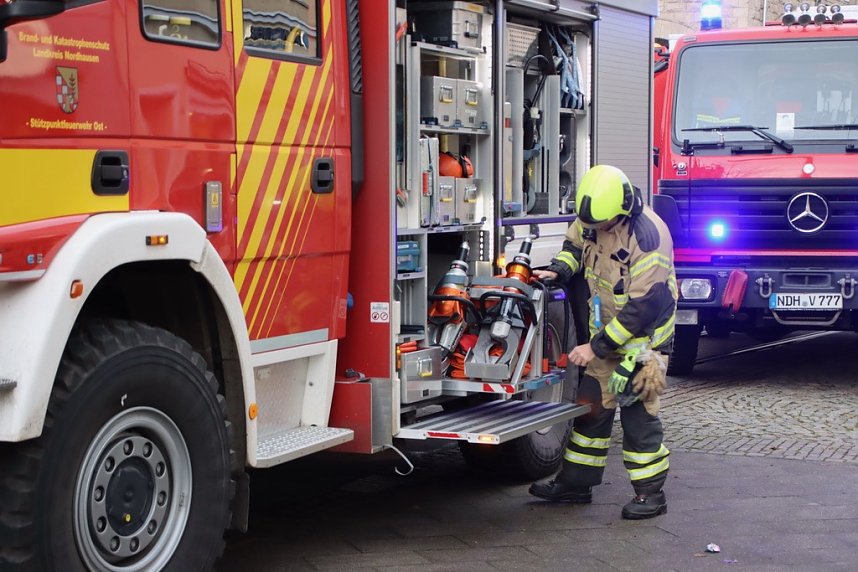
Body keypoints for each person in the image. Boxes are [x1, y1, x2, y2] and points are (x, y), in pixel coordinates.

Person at [529, 164, 677, 520]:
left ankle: (650, 494)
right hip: (607, 334)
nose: (595, 229)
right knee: (591, 409)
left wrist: (594, 348)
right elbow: (574, 246)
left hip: (643, 345)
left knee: (638, 417)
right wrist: (559, 269)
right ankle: (575, 484)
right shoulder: (593, 215)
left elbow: (643, 308)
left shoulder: (649, 238)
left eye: (602, 225)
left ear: (621, 211)